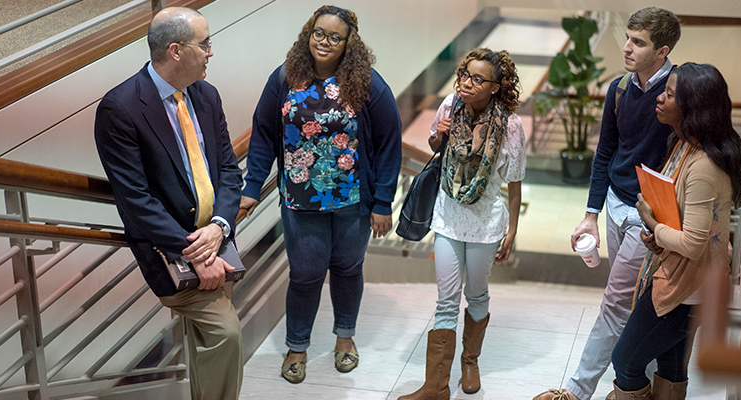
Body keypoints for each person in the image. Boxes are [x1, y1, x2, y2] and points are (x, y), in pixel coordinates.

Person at [240, 5, 402, 384]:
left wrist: (382, 202)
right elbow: (263, 135)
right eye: (318, 33)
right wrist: (250, 188)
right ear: (308, 34)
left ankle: (345, 339)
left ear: (349, 43)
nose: (324, 42)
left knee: (348, 270)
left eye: (334, 37)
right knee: (305, 275)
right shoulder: (283, 79)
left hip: (353, 202)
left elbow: (390, 145)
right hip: (300, 201)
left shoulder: (369, 85)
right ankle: (297, 347)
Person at [94, 7, 243, 400]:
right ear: (176, 51)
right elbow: (135, 199)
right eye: (205, 44)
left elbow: (229, 170)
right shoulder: (120, 108)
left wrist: (220, 227)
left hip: (217, 239)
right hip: (169, 251)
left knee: (208, 341)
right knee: (224, 333)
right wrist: (193, 250)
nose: (211, 51)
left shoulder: (206, 95)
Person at [534, 7, 682, 400]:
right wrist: (590, 215)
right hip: (616, 205)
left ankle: (577, 391)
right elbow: (605, 153)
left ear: (662, 50)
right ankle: (640, 382)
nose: (627, 47)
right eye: (628, 38)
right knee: (634, 301)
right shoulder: (620, 89)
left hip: (650, 217)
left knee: (616, 303)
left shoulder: (681, 94)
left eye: (639, 42)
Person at [608, 62, 741, 400]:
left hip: (687, 288)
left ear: (692, 108)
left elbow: (693, 242)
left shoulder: (703, 166)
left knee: (625, 361)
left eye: (669, 95)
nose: (660, 98)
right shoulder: (686, 144)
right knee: (671, 365)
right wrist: (657, 238)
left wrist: (654, 225)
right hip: (687, 277)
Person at [399, 48, 525, 400]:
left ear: (496, 87)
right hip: (448, 216)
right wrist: (437, 135)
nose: (467, 84)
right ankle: (435, 386)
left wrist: (512, 230)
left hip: (486, 223)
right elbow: (437, 147)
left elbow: (514, 183)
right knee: (446, 300)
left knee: (476, 293)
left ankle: (470, 362)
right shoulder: (449, 106)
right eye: (465, 76)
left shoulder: (510, 126)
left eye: (478, 79)